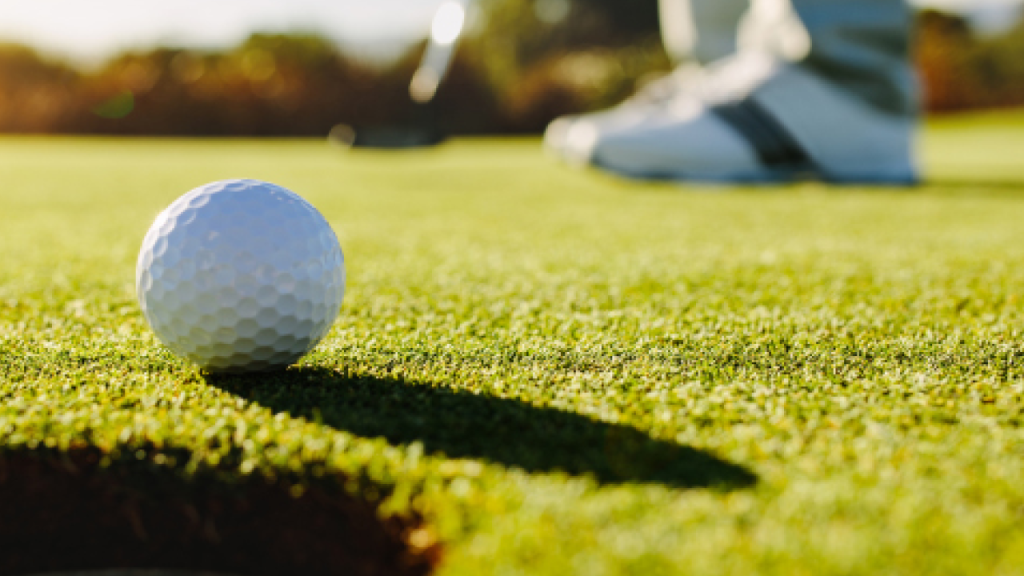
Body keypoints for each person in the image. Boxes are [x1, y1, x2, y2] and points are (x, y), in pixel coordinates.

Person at [544, 0, 918, 184]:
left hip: (844, 81)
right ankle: (721, 73)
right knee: (719, 56)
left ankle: (846, 71)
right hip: (732, 67)